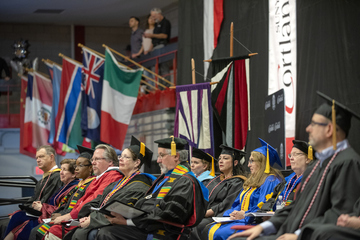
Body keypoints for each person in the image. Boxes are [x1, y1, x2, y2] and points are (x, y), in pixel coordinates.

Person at [229, 92, 360, 240]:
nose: (308, 129)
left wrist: (298, 236)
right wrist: (263, 227)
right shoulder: (316, 166)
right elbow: (295, 206)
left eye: (314, 124)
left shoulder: (347, 163)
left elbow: (339, 214)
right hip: (288, 233)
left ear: (329, 129)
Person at [92, 136, 208, 240]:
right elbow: (147, 205)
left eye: (161, 155)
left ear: (176, 157)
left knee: (107, 233)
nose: (158, 160)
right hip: (148, 226)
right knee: (106, 230)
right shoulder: (164, 179)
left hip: (166, 232)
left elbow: (169, 215)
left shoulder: (184, 181)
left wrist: (128, 221)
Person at [65, 136, 155, 240]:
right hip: (104, 219)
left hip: (122, 224)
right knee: (77, 231)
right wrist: (89, 216)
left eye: (125, 157)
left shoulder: (140, 184)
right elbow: (99, 201)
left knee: (92, 233)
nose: (120, 159)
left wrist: (92, 220)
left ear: (137, 163)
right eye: (120, 156)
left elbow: (118, 208)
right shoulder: (120, 182)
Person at [203, 138, 284, 240]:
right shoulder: (252, 180)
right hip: (241, 219)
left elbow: (264, 207)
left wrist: (245, 214)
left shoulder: (271, 180)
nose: (248, 165)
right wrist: (233, 213)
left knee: (218, 232)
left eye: (252, 161)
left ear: (262, 162)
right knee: (208, 228)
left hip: (253, 221)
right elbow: (237, 204)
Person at [44, 144, 123, 239]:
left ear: (110, 161)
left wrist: (69, 216)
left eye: (97, 159)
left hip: (89, 217)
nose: (93, 162)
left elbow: (94, 199)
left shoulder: (113, 176)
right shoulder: (100, 177)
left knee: (54, 231)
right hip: (80, 216)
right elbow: (83, 200)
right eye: (92, 159)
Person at [4, 159, 78, 240]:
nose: (61, 172)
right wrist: (40, 205)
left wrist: (42, 207)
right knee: (17, 216)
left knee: (26, 226)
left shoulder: (74, 189)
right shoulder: (64, 187)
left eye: (65, 170)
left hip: (54, 218)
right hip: (47, 215)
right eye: (61, 169)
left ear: (74, 174)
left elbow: (63, 210)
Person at [29, 149, 95, 240]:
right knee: (35, 230)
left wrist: (62, 215)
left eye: (80, 165)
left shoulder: (91, 184)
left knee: (38, 231)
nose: (76, 168)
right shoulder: (80, 185)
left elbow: (80, 207)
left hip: (74, 219)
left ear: (90, 168)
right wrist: (59, 213)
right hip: (64, 215)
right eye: (76, 165)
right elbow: (67, 206)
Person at [192, 145, 247, 239]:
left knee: (195, 226)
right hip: (203, 214)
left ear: (235, 162)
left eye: (225, 158)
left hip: (216, 217)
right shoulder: (215, 179)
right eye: (220, 158)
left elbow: (226, 204)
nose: (220, 161)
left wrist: (204, 213)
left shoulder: (238, 182)